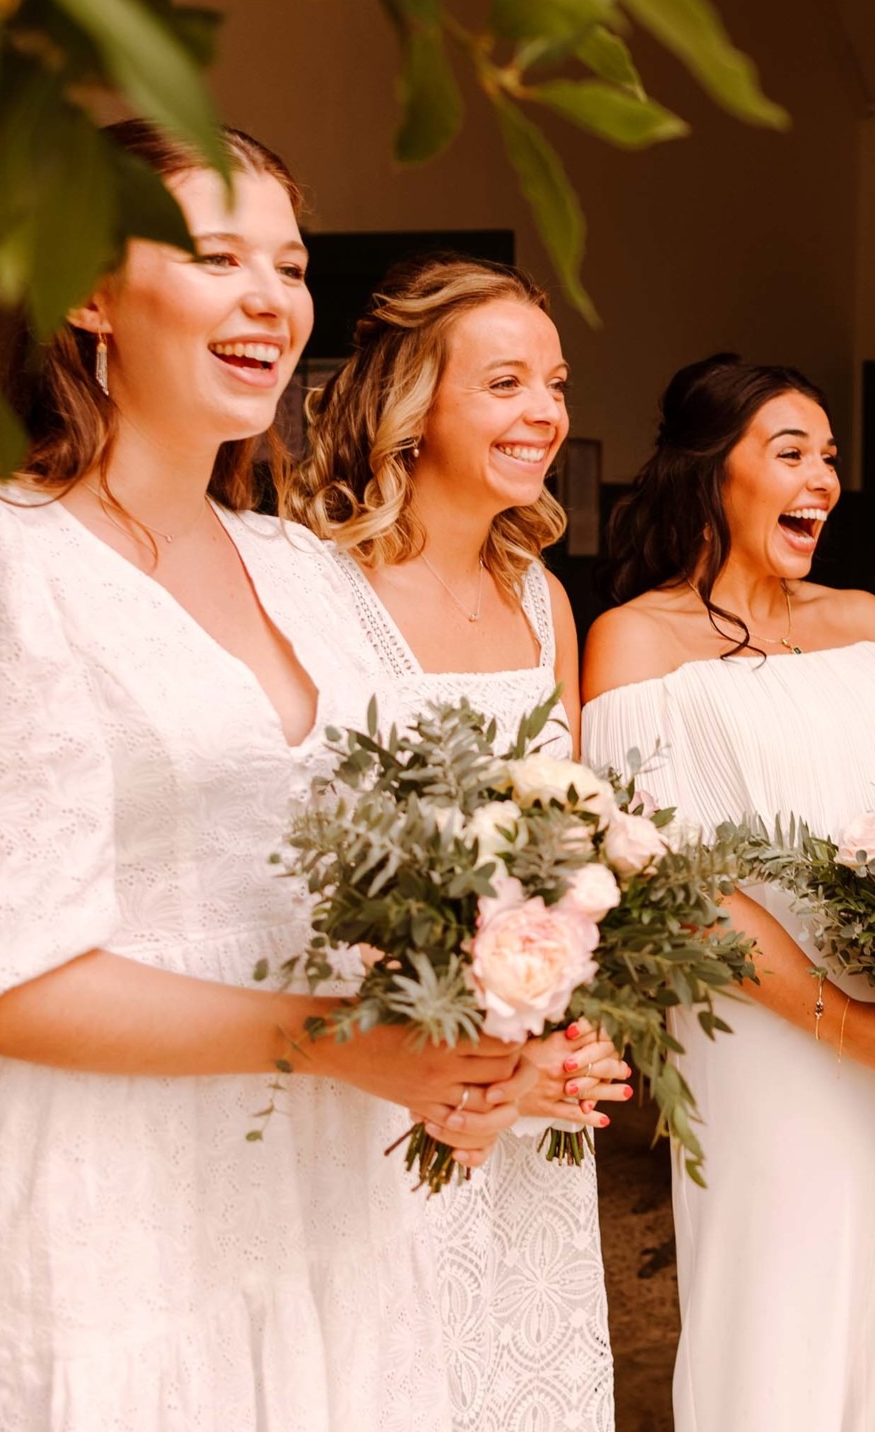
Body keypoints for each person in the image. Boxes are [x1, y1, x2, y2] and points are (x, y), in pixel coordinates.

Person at [0, 120, 529, 1430]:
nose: (271, 299)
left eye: (291, 266)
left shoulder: (304, 571)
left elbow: (385, 875)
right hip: (88, 1209)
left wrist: (463, 1038)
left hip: (320, 1200)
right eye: (216, 254)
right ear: (82, 287)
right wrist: (346, 1046)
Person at [580, 355, 875, 1432]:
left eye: (832, 457)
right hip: (767, 1038)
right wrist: (845, 1023)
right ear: (709, 471)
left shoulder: (867, 620)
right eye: (791, 453)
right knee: (781, 1319)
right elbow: (666, 889)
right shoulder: (634, 642)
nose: (824, 480)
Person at [282, 252, 633, 1432]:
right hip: (375, 1069)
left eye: (556, 382)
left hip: (528, 1074)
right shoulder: (313, 588)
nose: (545, 411)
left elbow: (571, 851)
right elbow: (293, 849)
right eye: (505, 383)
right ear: (411, 399)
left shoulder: (542, 597)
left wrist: (572, 1030)